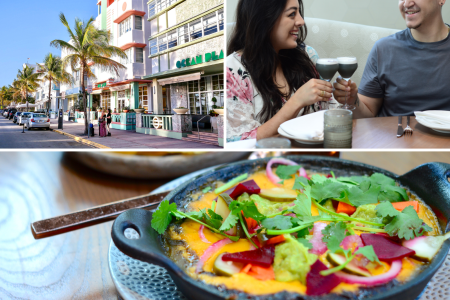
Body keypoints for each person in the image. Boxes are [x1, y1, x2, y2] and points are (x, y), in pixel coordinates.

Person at [226, 0, 333, 142]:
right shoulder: (232, 71)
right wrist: (296, 102)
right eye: (292, 14)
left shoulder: (308, 55)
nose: (301, 21)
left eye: (299, 13)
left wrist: (350, 98)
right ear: (265, 18)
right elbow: (241, 141)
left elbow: (332, 113)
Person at [333, 0, 450, 118]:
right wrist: (352, 101)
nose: (407, 3)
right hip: (395, 135)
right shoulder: (383, 49)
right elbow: (367, 115)